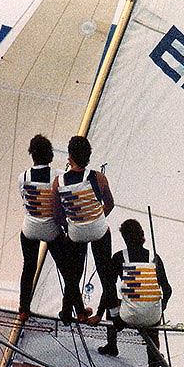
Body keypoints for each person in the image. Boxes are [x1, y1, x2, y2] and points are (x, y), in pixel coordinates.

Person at [18, 135, 90, 323]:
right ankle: (80, 311)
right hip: (51, 230)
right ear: (49, 154)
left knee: (29, 267)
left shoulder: (23, 177)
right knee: (68, 273)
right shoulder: (57, 176)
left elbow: (25, 200)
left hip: (30, 228)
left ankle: (23, 309)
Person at [52, 136, 119, 324]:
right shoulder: (98, 177)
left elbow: (57, 215)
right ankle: (113, 313)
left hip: (76, 233)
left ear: (70, 156)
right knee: (105, 271)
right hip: (98, 229)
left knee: (73, 275)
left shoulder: (59, 182)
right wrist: (95, 218)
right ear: (88, 156)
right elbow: (110, 203)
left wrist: (74, 223)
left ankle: (67, 313)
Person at [95, 218, 172, 367]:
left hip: (128, 316)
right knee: (151, 305)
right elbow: (168, 290)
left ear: (124, 238)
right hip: (152, 317)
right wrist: (159, 309)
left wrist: (103, 314)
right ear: (142, 235)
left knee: (115, 301)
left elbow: (108, 289)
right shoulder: (154, 257)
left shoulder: (119, 258)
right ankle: (153, 359)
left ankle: (112, 345)